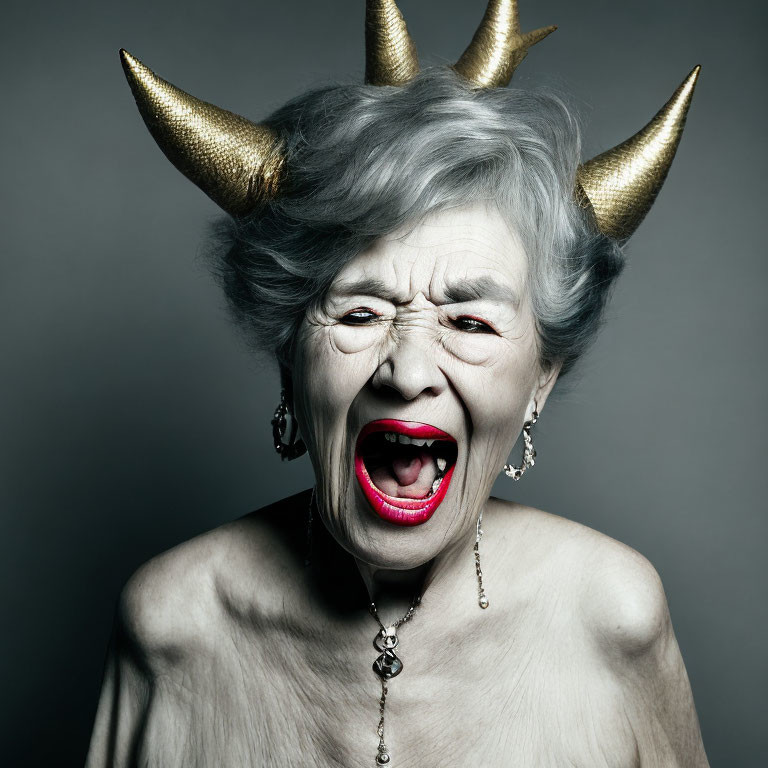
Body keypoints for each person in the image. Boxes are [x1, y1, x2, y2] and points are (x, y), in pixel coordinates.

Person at [86, 1, 710, 765]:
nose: (409, 373)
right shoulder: (170, 629)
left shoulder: (614, 620)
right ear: (291, 354)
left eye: (470, 323)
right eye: (359, 311)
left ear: (541, 378)